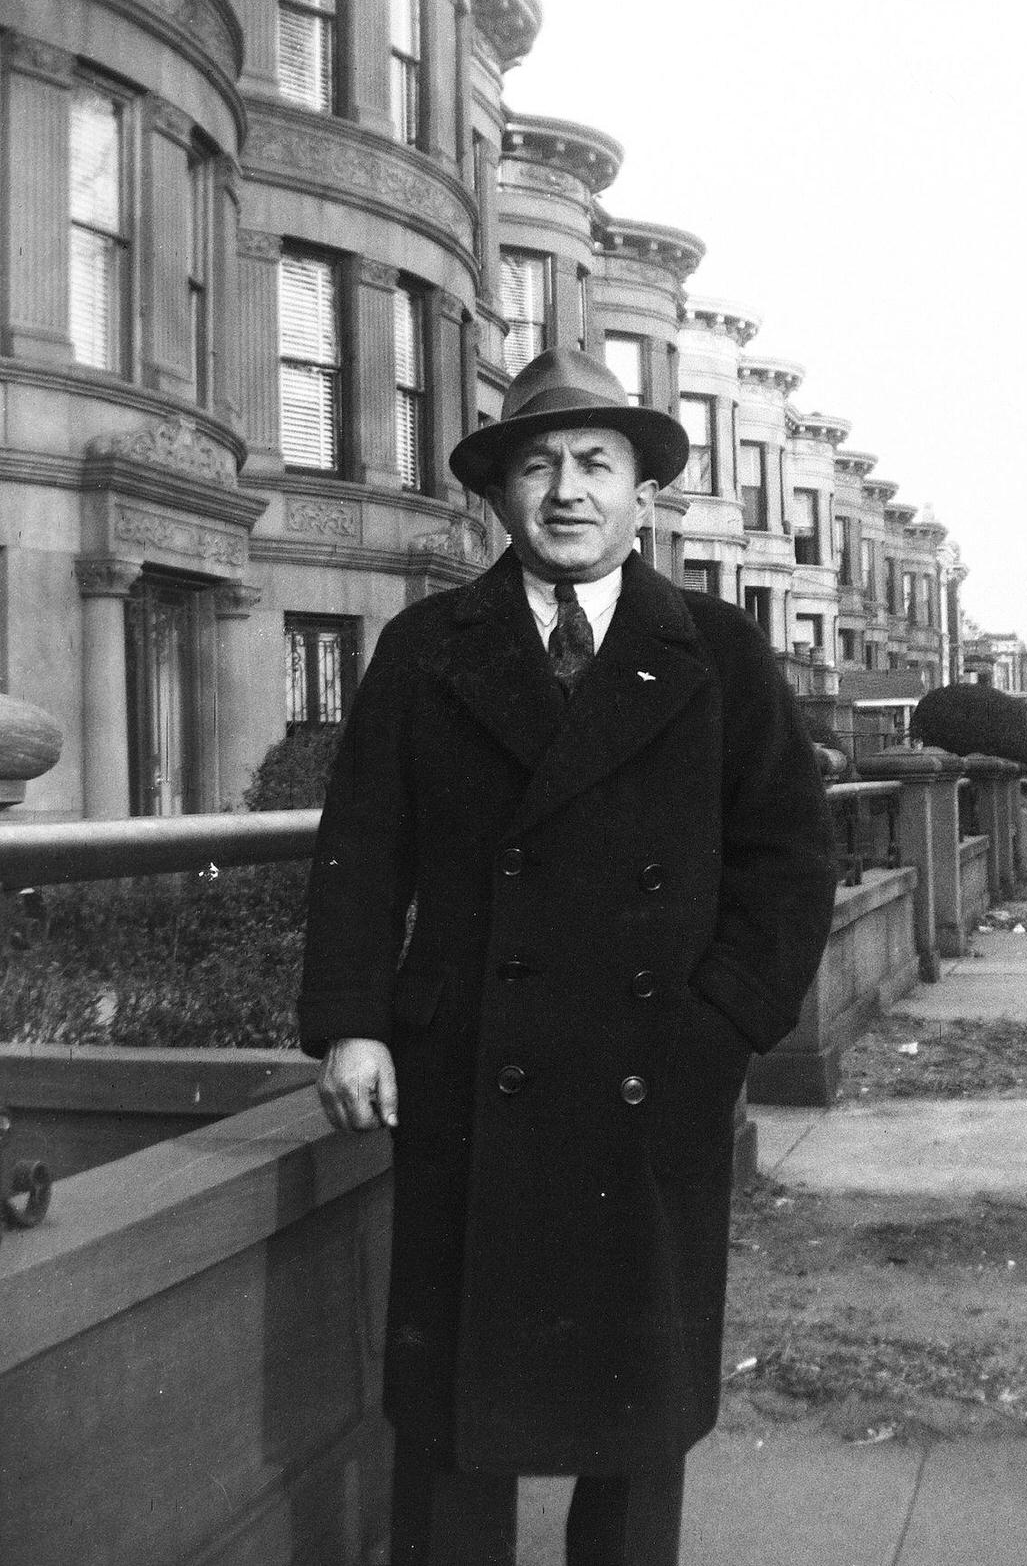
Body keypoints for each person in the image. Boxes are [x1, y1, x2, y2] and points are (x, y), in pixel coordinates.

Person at [299, 348, 837, 1566]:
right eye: (537, 464)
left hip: (654, 1073)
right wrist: (354, 1017)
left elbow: (790, 861)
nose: (567, 490)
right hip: (467, 1075)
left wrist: (718, 1028)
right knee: (449, 1421)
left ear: (642, 489)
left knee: (637, 1416)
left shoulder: (714, 647)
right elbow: (362, 848)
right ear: (499, 495)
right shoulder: (428, 644)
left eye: (596, 462)